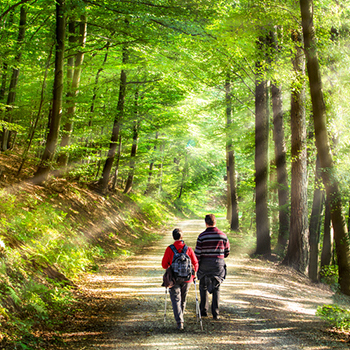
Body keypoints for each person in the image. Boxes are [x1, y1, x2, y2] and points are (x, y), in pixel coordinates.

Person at [162, 228, 198, 330]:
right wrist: (194, 274)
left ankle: (180, 322)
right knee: (183, 299)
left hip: (173, 278)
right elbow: (195, 263)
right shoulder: (189, 249)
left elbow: (164, 265)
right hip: (187, 278)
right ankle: (181, 318)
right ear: (182, 237)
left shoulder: (169, 249)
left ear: (173, 237)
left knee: (175, 299)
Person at [195, 214, 230, 320]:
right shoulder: (223, 236)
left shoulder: (202, 236)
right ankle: (215, 312)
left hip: (205, 264)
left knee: (203, 286)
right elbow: (227, 252)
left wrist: (197, 264)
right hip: (217, 264)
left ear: (206, 223)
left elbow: (197, 253)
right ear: (215, 222)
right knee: (216, 287)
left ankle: (203, 311)